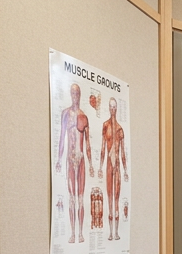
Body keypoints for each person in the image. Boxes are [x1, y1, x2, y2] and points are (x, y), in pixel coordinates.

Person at [55, 83, 92, 243]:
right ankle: (72, 233)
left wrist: (90, 164)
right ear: (70, 94)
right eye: (73, 93)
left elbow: (88, 143)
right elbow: (61, 137)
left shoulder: (84, 117)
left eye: (77, 93)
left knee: (81, 198)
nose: (75, 96)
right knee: (71, 197)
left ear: (80, 95)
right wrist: (58, 159)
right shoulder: (65, 114)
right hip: (70, 159)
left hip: (81, 159)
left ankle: (81, 234)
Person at [99, 98, 128, 240]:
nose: (112, 109)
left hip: (117, 167)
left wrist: (126, 169)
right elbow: (103, 148)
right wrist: (100, 166)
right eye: (110, 107)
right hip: (109, 166)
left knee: (116, 198)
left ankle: (116, 232)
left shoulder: (120, 129)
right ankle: (110, 233)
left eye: (114, 107)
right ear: (109, 108)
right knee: (109, 197)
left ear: (116, 109)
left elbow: (122, 152)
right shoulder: (105, 126)